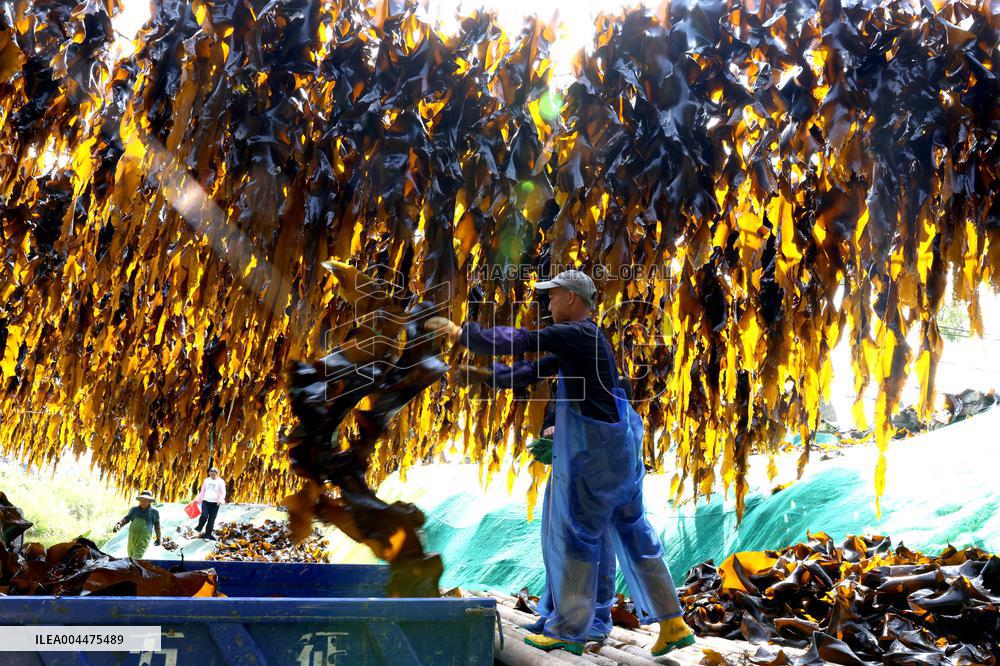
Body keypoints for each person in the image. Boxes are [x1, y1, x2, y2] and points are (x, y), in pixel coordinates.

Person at [428, 269, 695, 656]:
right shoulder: (586, 341)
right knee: (635, 534)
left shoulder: (578, 332)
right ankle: (672, 622)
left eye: (551, 297)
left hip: (596, 461)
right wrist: (486, 378)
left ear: (571, 297)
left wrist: (460, 334)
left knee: (578, 538)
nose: (547, 305)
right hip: (620, 457)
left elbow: (521, 342)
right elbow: (530, 370)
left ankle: (569, 630)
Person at [113, 490, 161, 559]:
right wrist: (119, 524)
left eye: (145, 500)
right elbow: (126, 519)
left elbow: (157, 526)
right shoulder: (134, 510)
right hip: (131, 537)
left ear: (149, 501)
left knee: (136, 557)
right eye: (141, 500)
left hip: (143, 538)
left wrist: (158, 538)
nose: (143, 502)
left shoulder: (154, 512)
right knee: (130, 556)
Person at [194, 467, 226, 540]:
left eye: (214, 475)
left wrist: (220, 500)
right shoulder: (206, 480)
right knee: (204, 516)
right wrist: (198, 500)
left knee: (211, 520)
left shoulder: (221, 481)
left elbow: (223, 492)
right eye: (211, 475)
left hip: (215, 504)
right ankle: (199, 527)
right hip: (206, 502)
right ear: (209, 474)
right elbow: (202, 491)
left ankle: (207, 535)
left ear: (217, 474)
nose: (213, 476)